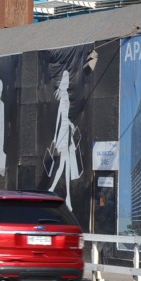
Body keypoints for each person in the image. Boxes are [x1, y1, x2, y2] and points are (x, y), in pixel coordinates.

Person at [47, 70, 80, 209]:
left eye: (67, 80)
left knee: (64, 166)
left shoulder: (65, 96)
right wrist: (55, 137)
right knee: (65, 166)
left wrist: (72, 126)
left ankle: (58, 192)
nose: (66, 83)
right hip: (63, 135)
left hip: (66, 134)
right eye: (65, 80)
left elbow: (64, 118)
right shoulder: (64, 97)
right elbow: (59, 118)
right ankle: (67, 198)